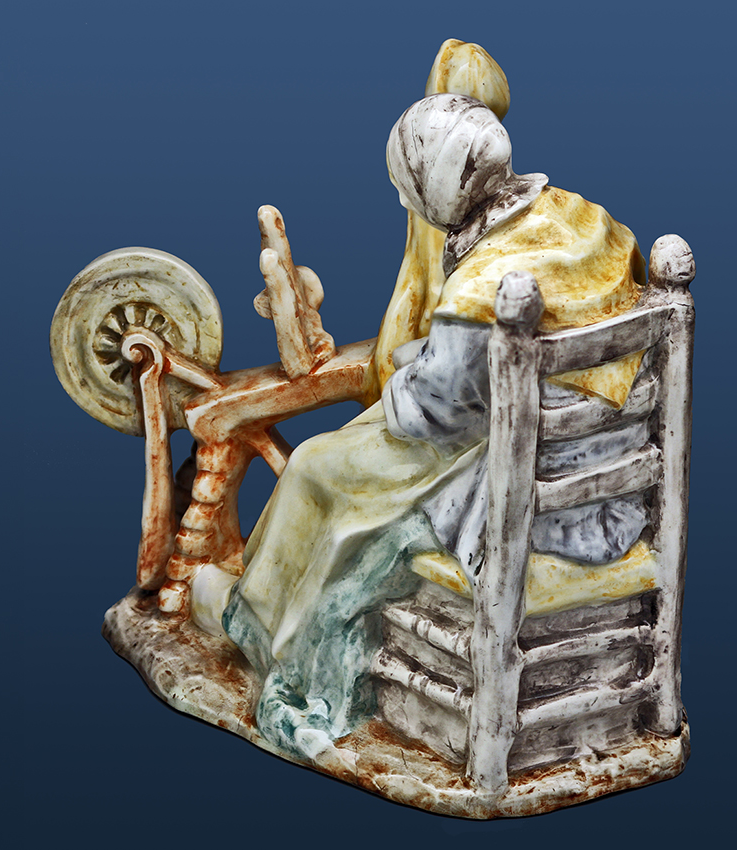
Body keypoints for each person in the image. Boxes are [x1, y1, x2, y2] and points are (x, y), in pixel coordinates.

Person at [222, 94, 648, 759]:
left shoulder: (482, 285)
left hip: (526, 494)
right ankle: (268, 622)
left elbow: (431, 413)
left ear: (437, 189)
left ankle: (283, 660)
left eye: (408, 187)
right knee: (347, 464)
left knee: (314, 468)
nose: (405, 201)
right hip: (605, 479)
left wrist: (405, 369)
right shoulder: (585, 221)